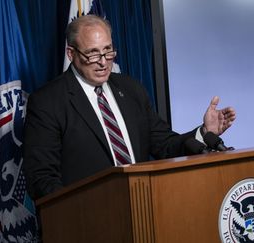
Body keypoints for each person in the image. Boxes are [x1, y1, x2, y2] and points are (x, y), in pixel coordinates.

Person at [22, 15, 236, 200]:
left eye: (108, 51)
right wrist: (79, 212)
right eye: (93, 54)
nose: (103, 62)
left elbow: (165, 145)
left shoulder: (130, 89)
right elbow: (41, 180)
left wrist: (204, 132)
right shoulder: (47, 102)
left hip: (141, 209)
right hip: (87, 222)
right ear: (71, 54)